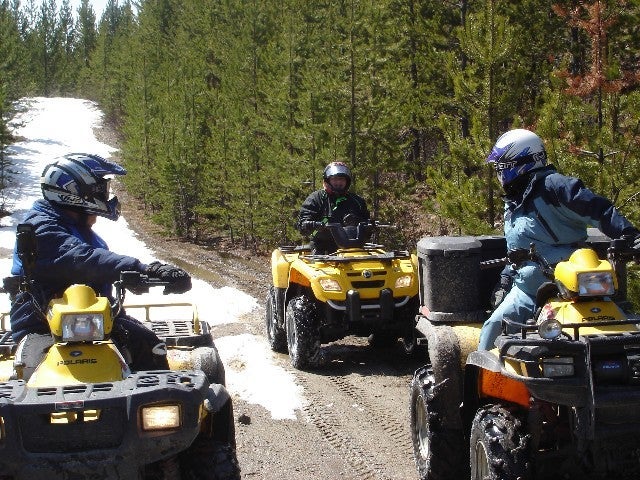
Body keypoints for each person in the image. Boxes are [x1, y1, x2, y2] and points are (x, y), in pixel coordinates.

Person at [9, 153, 192, 374]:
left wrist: (141, 278)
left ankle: (156, 406)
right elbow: (83, 260)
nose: (106, 196)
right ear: (74, 191)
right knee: (31, 376)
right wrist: (143, 268)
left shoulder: (75, 226)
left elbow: (96, 265)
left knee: (149, 347)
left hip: (94, 322)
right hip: (42, 325)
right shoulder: (40, 227)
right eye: (100, 190)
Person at [478, 129, 640, 350]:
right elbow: (517, 247)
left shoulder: (554, 187)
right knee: (492, 329)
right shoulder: (514, 199)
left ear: (522, 162)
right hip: (530, 289)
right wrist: (506, 278)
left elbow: (600, 211)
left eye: (502, 167)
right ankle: (482, 385)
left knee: (626, 333)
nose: (499, 174)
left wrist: (630, 237)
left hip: (576, 288)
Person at [296, 161, 370, 253]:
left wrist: (364, 224)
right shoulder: (316, 198)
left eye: (342, 179)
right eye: (334, 179)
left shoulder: (357, 201)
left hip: (352, 249)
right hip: (322, 248)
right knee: (317, 259)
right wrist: (313, 225)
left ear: (347, 181)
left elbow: (368, 227)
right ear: (327, 180)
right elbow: (302, 225)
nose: (338, 182)